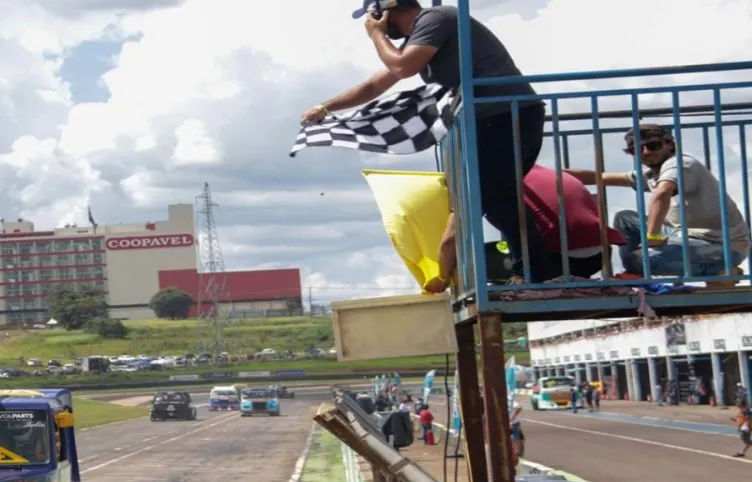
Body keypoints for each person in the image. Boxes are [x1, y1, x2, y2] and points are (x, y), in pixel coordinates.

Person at [303, 0, 553, 286]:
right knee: (496, 197)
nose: (370, 23)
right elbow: (374, 86)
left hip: (501, 113)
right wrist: (325, 107)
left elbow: (402, 67)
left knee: (496, 196)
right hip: (494, 116)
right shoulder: (420, 38)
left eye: (373, 16)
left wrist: (376, 35)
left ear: (386, 11)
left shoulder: (436, 18)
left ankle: (533, 274)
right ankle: (531, 273)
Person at [566, 124, 750, 280]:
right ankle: (636, 269)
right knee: (625, 218)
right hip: (683, 235)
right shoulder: (652, 174)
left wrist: (652, 236)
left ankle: (718, 270)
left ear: (669, 145)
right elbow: (599, 177)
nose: (646, 152)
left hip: (721, 245)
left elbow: (663, 193)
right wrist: (554, 174)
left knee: (646, 261)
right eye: (637, 149)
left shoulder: (680, 164)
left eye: (653, 146)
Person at [427, 165, 627, 293]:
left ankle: (524, 278)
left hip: (559, 264)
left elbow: (449, 240)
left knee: (485, 260)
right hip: (600, 256)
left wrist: (443, 279)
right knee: (513, 232)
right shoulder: (542, 171)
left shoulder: (483, 184)